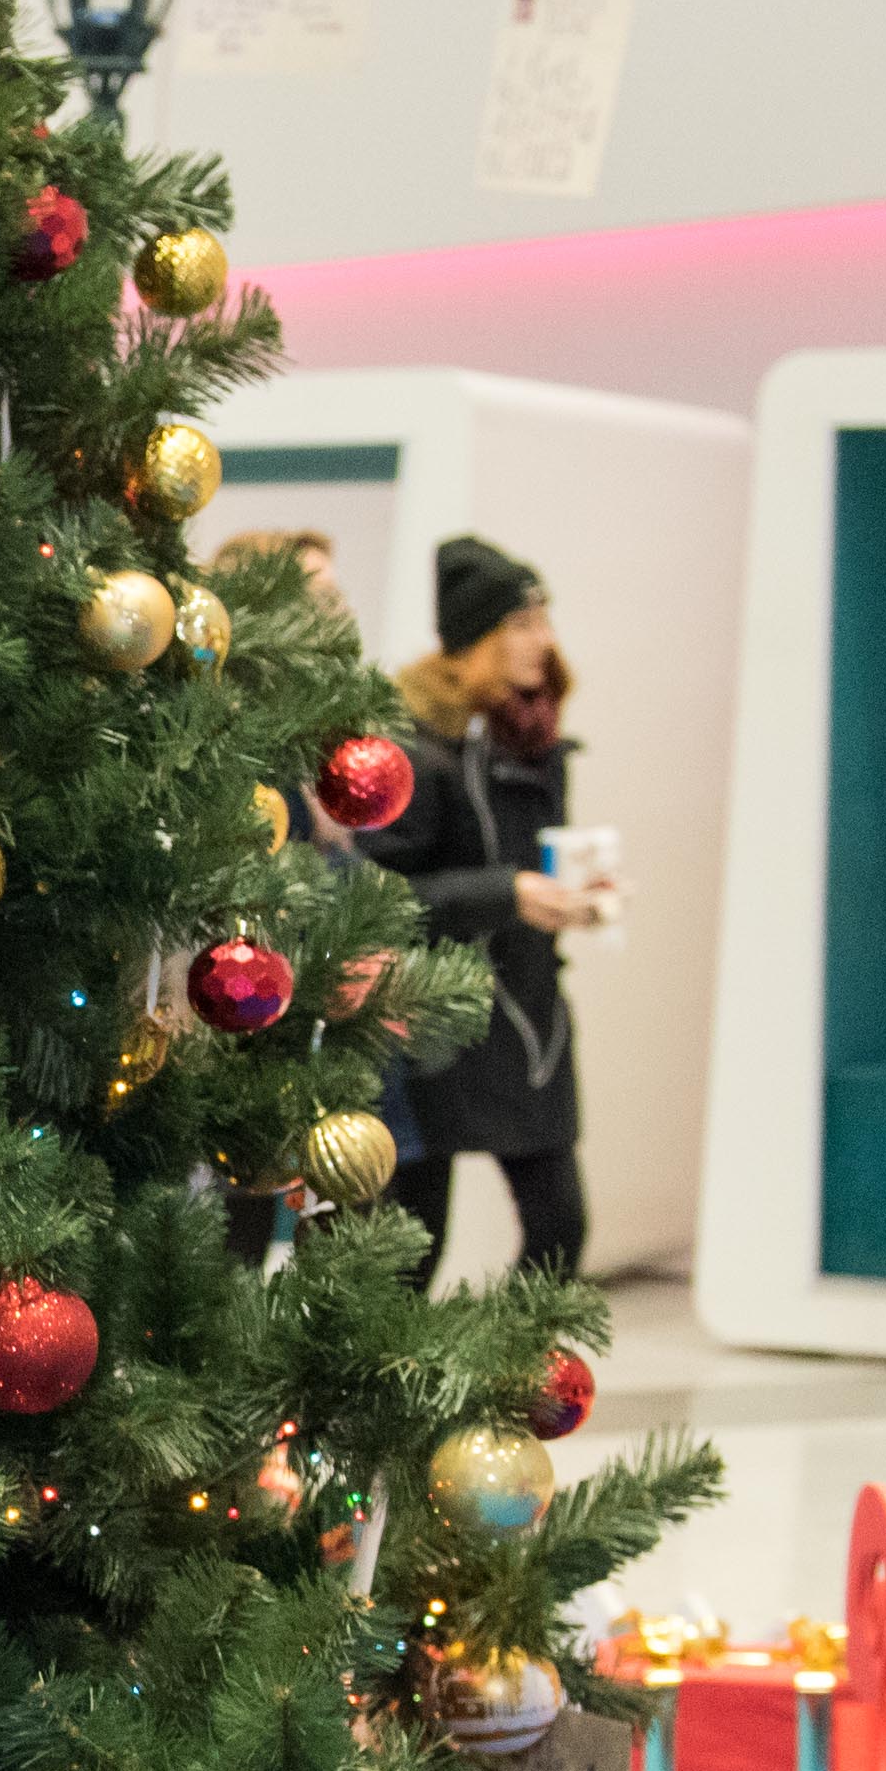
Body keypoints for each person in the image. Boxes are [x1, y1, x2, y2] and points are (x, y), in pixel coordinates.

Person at [350, 534, 601, 1282]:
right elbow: (381, 897)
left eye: (543, 620)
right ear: (473, 641)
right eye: (522, 624)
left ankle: (506, 1355)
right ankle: (406, 1361)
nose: (543, 640)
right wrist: (507, 893)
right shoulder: (415, 750)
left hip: (530, 1017)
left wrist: (576, 894)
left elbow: (534, 864)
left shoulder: (534, 741)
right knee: (415, 1247)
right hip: (434, 1026)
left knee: (560, 1228)